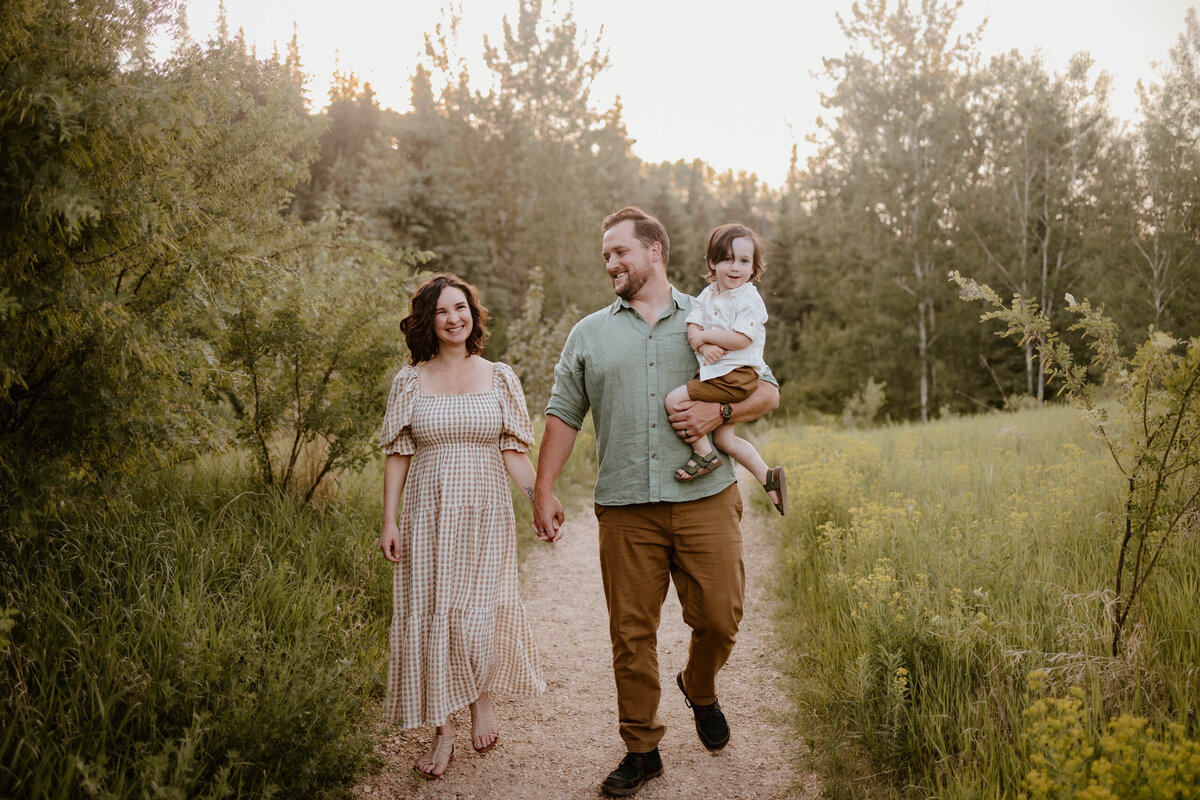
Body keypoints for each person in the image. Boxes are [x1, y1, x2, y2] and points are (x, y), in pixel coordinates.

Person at [533, 207, 780, 797]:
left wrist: (718, 411)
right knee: (631, 634)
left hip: (706, 497)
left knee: (721, 618)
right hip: (624, 507)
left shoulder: (711, 311)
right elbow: (564, 412)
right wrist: (543, 488)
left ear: (655, 252)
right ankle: (641, 749)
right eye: (606, 256)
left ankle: (700, 685)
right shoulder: (589, 333)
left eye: (620, 252)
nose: (611, 263)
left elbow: (766, 391)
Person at [378, 273, 554, 780]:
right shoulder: (410, 381)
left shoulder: (499, 376)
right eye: (442, 311)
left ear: (473, 314)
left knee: (476, 611)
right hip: (427, 514)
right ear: (427, 321)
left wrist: (539, 500)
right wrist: (389, 520)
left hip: (485, 513)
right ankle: (444, 729)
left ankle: (480, 702)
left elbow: (514, 452)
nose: (454, 318)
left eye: (462, 308)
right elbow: (397, 454)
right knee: (434, 610)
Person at [666, 222, 787, 515]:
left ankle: (703, 454)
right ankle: (768, 476)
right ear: (712, 262)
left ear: (754, 266)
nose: (735, 268)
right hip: (720, 374)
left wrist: (705, 337)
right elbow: (693, 322)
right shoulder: (708, 294)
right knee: (725, 438)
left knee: (673, 400)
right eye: (727, 259)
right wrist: (702, 343)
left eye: (744, 261)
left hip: (735, 377)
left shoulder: (749, 299)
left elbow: (741, 338)